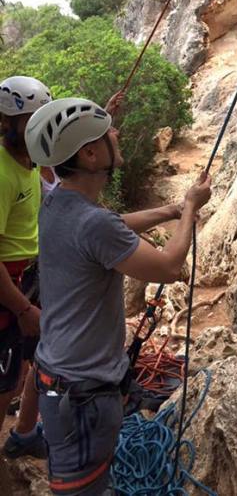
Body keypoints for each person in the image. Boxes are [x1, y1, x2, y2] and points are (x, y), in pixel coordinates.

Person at [25, 97, 212, 496]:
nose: (116, 133)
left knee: (82, 483)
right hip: (83, 395)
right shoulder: (91, 223)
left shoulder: (58, 202)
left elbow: (113, 225)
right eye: (107, 131)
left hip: (59, 379)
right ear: (92, 154)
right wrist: (191, 209)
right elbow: (167, 266)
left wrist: (171, 210)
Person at [0, 76, 52, 468]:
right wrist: (20, 308)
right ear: (7, 123)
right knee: (3, 384)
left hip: (30, 275)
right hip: (9, 285)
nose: (37, 127)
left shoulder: (30, 161)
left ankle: (23, 434)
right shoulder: (1, 173)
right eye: (31, 120)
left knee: (39, 360)